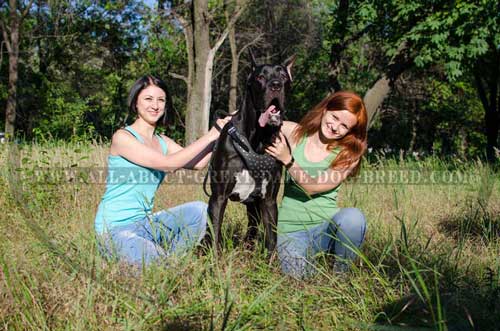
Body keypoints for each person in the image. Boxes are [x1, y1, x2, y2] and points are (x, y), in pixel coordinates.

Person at [94, 75, 231, 266]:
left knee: (199, 211)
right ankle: (158, 261)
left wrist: (222, 133)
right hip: (114, 230)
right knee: (158, 267)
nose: (155, 105)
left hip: (145, 224)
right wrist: (211, 134)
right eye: (148, 99)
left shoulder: (162, 141)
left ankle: (171, 260)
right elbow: (168, 164)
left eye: (161, 100)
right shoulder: (123, 137)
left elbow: (198, 164)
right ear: (135, 103)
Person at [265, 91, 368, 278]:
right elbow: (260, 119)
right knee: (299, 282)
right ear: (325, 109)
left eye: (344, 126)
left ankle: (341, 276)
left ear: (350, 131)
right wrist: (226, 122)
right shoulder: (295, 133)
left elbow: (313, 187)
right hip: (291, 231)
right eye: (335, 117)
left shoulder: (347, 154)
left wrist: (288, 160)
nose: (335, 127)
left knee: (353, 218)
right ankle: (314, 266)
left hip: (326, 228)